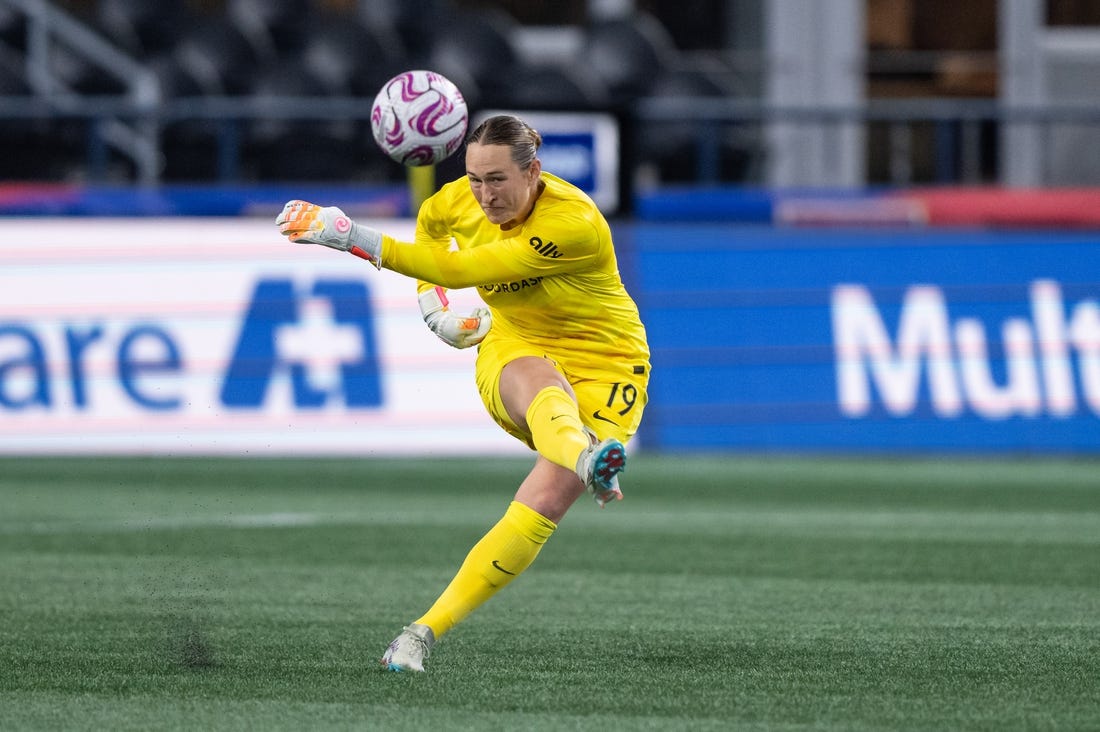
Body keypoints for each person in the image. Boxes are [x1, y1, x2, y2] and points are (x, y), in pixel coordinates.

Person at [275, 114, 650, 672]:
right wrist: (435, 313)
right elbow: (431, 229)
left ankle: (419, 634)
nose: (483, 194)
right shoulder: (456, 201)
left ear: (534, 172)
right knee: (542, 384)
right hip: (516, 342)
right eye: (474, 178)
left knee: (544, 501)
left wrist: (353, 238)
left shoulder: (573, 224)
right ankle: (587, 458)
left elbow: (458, 268)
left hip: (608, 363)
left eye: (497, 180)